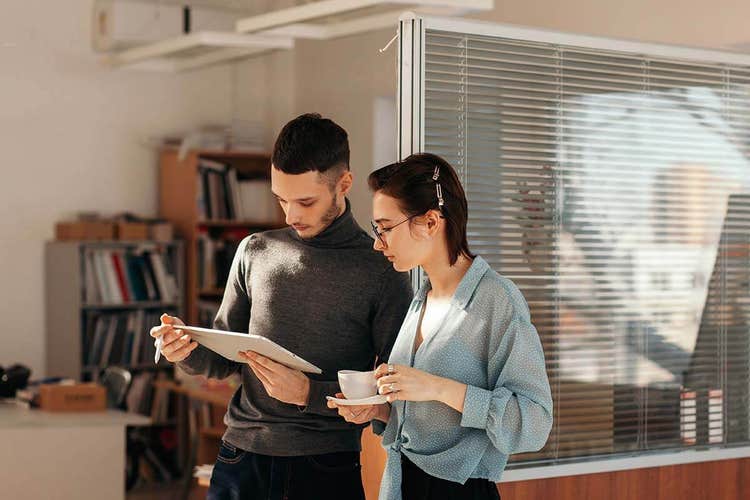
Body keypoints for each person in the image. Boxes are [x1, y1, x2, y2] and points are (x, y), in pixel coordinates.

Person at [150, 113, 413, 500]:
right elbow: (224, 359)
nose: (290, 215)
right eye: (281, 199)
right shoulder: (255, 250)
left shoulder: (381, 269)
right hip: (239, 458)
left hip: (324, 466)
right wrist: (186, 351)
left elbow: (393, 389)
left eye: (305, 201)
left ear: (344, 184)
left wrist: (309, 393)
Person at [328, 152, 553, 500]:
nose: (377, 242)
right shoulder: (422, 298)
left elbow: (533, 424)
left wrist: (438, 387)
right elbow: (430, 421)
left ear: (431, 222)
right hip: (402, 485)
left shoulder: (497, 300)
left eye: (386, 228)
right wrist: (379, 410)